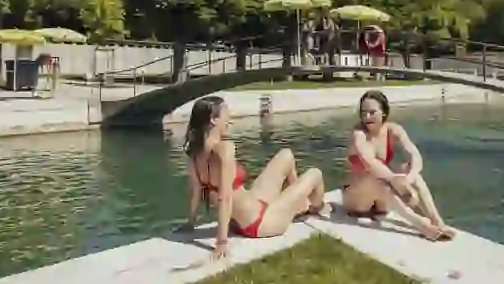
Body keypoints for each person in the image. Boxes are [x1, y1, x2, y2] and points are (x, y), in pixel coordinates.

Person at [180, 96, 330, 260]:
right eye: (226, 114)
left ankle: (298, 206)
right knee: (315, 174)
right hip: (260, 223)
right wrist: (222, 241)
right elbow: (225, 198)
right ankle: (317, 207)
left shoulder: (194, 155)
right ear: (213, 120)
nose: (230, 119)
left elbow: (196, 192)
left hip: (245, 214)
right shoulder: (224, 149)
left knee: (286, 155)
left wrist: (191, 222)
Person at [342, 90, 456, 241]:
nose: (367, 117)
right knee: (375, 178)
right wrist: (395, 180)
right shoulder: (359, 134)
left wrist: (409, 178)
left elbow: (414, 155)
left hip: (380, 202)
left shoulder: (393, 130)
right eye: (363, 113)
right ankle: (421, 224)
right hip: (356, 200)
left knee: (408, 170)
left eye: (372, 112)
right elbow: (369, 162)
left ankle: (437, 221)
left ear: (384, 112)